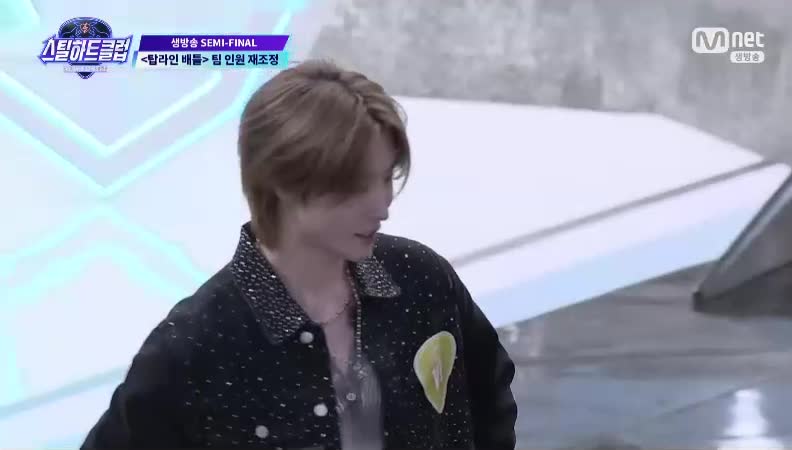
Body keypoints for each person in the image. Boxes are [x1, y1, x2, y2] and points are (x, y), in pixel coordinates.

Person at [81, 59, 517, 450]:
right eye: (356, 185)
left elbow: (490, 394)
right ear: (283, 183)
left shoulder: (421, 279)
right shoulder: (195, 346)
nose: (382, 205)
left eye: (387, 178)